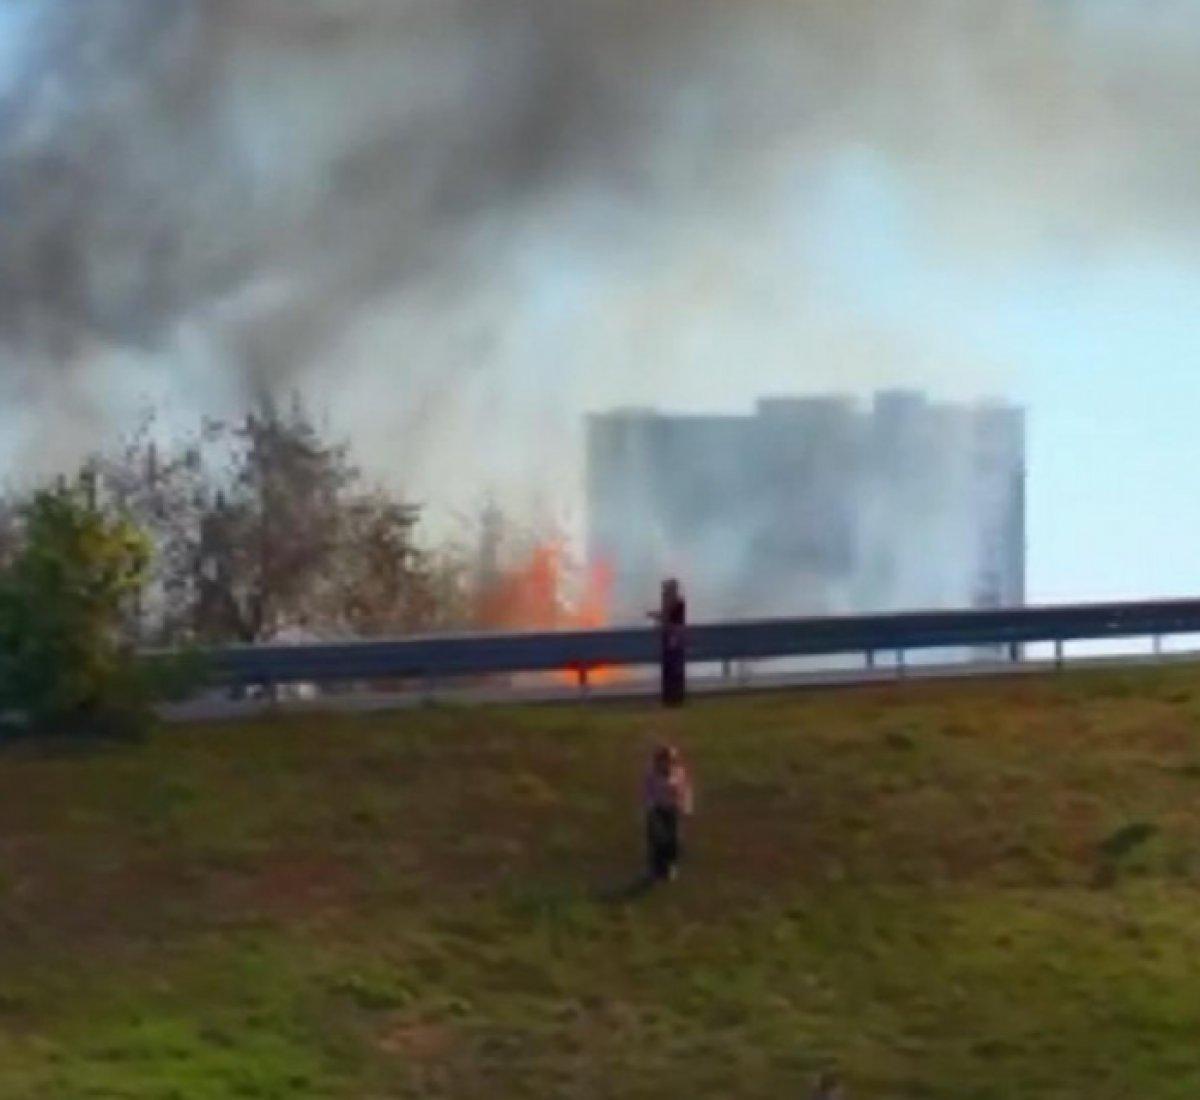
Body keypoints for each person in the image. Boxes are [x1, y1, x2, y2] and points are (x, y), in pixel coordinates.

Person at [643, 744, 694, 882]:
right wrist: (651, 808)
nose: (667, 764)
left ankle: (670, 865)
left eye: (671, 761)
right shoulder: (651, 774)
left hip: (673, 810)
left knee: (674, 839)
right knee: (657, 839)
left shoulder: (679, 773)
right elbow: (648, 792)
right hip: (657, 811)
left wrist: (686, 807)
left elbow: (686, 790)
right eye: (664, 761)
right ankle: (655, 867)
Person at [648, 578, 687, 707]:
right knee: (670, 670)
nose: (664, 592)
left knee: (673, 670)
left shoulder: (677, 602)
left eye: (666, 589)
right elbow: (666, 617)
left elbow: (670, 620)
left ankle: (674, 698)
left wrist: (656, 617)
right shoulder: (674, 602)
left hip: (673, 639)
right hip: (670, 638)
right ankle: (671, 698)